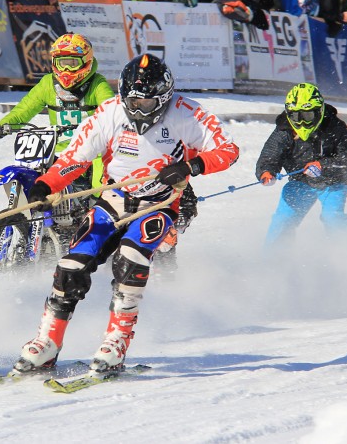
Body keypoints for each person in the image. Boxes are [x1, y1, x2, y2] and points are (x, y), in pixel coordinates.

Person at [12, 53, 239, 375]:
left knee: (130, 262)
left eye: (146, 104)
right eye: (133, 102)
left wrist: (191, 166)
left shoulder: (188, 113)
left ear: (163, 99)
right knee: (70, 267)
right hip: (114, 199)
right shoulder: (109, 112)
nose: (138, 110)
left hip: (158, 204)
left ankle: (116, 341)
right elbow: (76, 157)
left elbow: (228, 151)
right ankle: (47, 342)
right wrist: (45, 185)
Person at [0, 32, 114, 187]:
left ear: (86, 61)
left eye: (72, 63)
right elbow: (24, 109)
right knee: (36, 177)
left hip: (92, 152)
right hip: (58, 153)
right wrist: (2, 125)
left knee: (100, 187)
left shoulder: (97, 84)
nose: (66, 69)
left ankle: (97, 205)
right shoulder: (48, 84)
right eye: (62, 63)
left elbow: (111, 110)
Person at [255, 83, 347, 247]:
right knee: (283, 218)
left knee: (332, 217)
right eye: (296, 117)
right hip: (300, 182)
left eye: (307, 116)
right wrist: (266, 171)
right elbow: (271, 154)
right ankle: (274, 259)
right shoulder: (284, 130)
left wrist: (323, 165)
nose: (302, 122)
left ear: (319, 111)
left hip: (334, 182)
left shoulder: (336, 127)